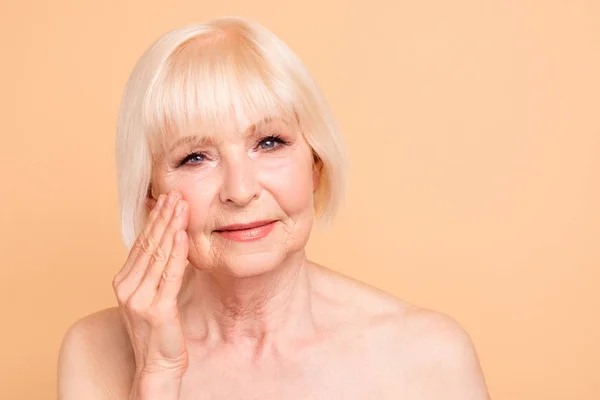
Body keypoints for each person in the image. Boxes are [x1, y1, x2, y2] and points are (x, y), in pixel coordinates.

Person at [57, 16, 490, 399]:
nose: (240, 190)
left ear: (315, 167)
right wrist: (157, 377)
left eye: (269, 143)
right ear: (150, 198)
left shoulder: (429, 355)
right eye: (195, 158)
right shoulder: (94, 351)